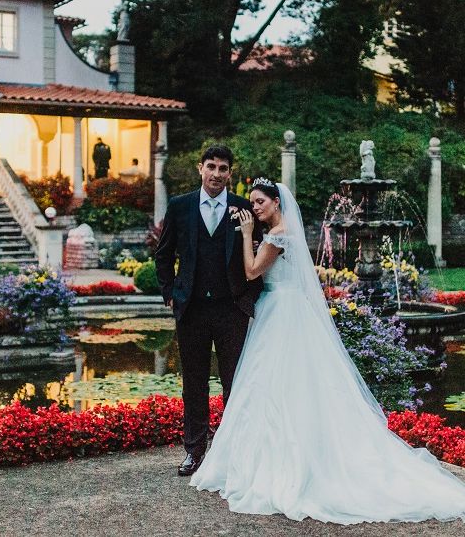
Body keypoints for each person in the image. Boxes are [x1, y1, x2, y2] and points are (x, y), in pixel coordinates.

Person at [191, 178, 465, 523]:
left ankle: (286, 461)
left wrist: (247, 236)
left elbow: (251, 271)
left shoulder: (278, 234)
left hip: (281, 313)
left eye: (260, 202)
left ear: (276, 202)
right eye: (253, 203)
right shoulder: (281, 229)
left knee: (275, 381)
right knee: (278, 383)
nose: (255, 209)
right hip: (283, 309)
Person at [155, 145, 263, 476]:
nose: (217, 173)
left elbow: (258, 258)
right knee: (195, 382)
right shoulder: (180, 206)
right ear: (200, 168)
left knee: (235, 383)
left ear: (231, 173)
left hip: (232, 309)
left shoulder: (244, 209)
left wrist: (250, 296)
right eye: (211, 167)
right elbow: (163, 254)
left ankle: (233, 452)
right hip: (192, 308)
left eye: (223, 168)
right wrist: (170, 293)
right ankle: (194, 450)